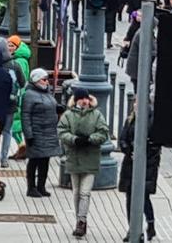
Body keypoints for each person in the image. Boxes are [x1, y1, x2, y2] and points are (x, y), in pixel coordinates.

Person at [58, 86, 111, 238]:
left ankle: (81, 221)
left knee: (85, 192)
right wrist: (74, 139)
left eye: (86, 98)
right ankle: (79, 220)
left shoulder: (96, 115)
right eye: (81, 99)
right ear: (76, 100)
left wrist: (90, 140)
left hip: (90, 158)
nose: (84, 101)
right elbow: (62, 131)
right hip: (74, 158)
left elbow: (103, 132)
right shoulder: (68, 115)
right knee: (76, 193)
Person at [119, 103, 160, 242]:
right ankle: (133, 229)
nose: (136, 105)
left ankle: (150, 224)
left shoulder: (152, 121)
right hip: (130, 164)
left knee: (143, 197)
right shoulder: (130, 119)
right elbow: (122, 138)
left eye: (138, 102)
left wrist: (143, 154)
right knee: (130, 197)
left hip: (147, 165)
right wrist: (129, 150)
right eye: (135, 103)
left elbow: (156, 144)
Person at [21, 68, 60, 198]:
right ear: (36, 80)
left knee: (45, 160)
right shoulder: (29, 95)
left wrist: (58, 107)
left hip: (49, 132)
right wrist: (29, 135)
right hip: (37, 133)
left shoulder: (47, 92)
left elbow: (52, 104)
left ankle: (41, 186)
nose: (46, 82)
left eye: (46, 79)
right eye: (44, 79)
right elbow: (25, 115)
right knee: (34, 160)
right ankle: (31, 187)